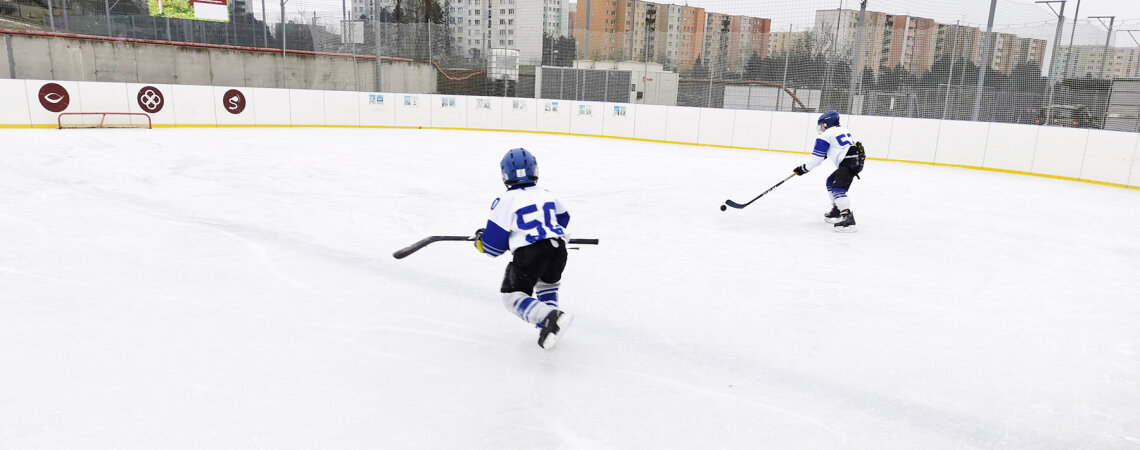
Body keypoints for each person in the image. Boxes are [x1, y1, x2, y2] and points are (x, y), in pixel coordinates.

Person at [474, 148, 574, 350]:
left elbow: (493, 247)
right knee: (547, 286)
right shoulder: (546, 194)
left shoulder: (505, 200)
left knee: (512, 298)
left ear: (504, 175)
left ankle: (549, 317)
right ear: (535, 170)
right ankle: (549, 328)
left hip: (531, 254)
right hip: (558, 249)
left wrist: (481, 242)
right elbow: (563, 218)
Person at [792, 110, 862, 232]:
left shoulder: (824, 136)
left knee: (838, 189)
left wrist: (803, 169)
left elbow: (817, 159)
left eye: (822, 125)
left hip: (848, 162)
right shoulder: (843, 130)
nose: (821, 128)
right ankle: (837, 209)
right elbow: (838, 147)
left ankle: (847, 219)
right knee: (830, 181)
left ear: (828, 124)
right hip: (855, 159)